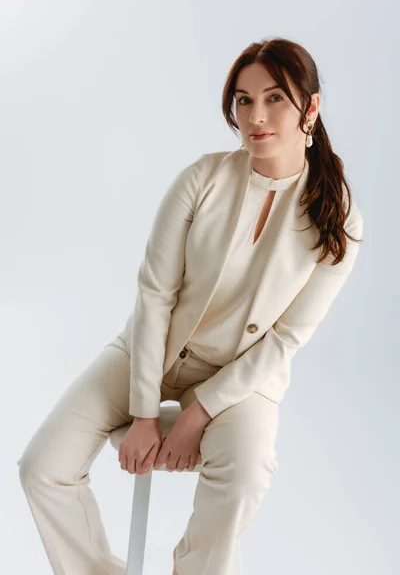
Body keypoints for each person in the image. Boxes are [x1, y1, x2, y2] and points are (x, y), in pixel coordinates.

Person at [17, 36, 364, 575]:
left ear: (311, 107)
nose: (256, 116)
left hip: (242, 378)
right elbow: (155, 295)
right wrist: (144, 414)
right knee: (43, 466)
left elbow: (285, 341)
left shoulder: (339, 219)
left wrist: (199, 412)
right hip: (149, 353)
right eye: (243, 100)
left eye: (275, 98)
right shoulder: (202, 178)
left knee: (247, 472)